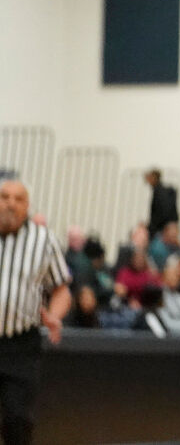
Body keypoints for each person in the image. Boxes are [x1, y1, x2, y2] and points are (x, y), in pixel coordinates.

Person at [0, 180, 70, 445]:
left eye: (18, 199)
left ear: (27, 206)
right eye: (4, 197)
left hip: (20, 343)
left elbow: (61, 289)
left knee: (17, 419)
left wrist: (54, 315)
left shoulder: (44, 240)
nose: (10, 203)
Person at [146, 169, 179, 238]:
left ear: (154, 178)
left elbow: (160, 212)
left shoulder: (159, 192)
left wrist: (152, 227)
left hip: (161, 229)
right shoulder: (162, 191)